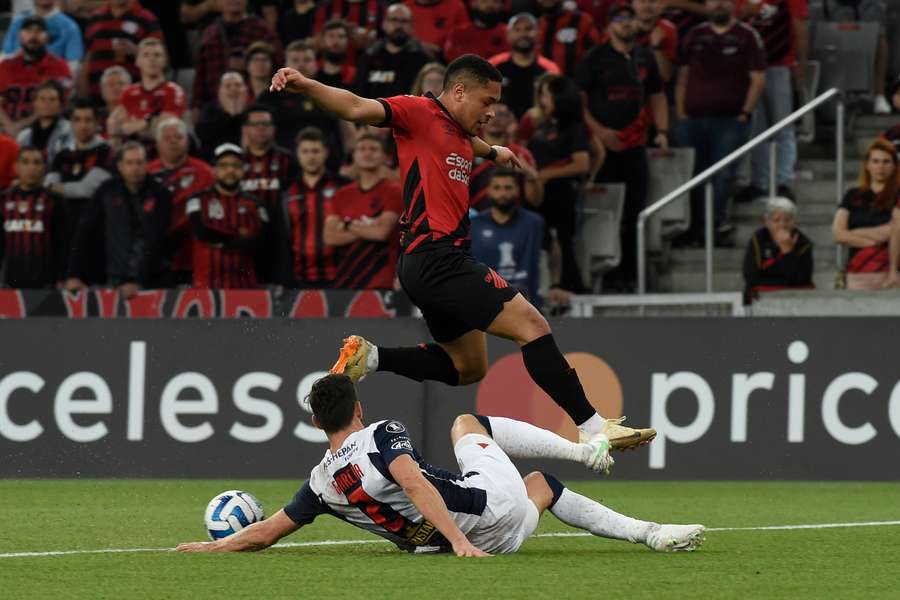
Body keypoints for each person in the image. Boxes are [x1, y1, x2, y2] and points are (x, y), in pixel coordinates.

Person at [271, 53, 656, 451]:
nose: (492, 111)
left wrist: (494, 152)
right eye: (487, 102)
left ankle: (372, 358)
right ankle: (594, 429)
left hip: (425, 266)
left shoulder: (458, 132)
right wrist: (308, 84)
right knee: (533, 327)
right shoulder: (417, 111)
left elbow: (464, 141)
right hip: (439, 258)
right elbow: (355, 106)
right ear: (458, 91)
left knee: (468, 367)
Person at [176, 374, 705, 555]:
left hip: (475, 536)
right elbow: (410, 479)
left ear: (317, 424)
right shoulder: (380, 434)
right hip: (482, 517)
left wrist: (214, 546)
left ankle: (652, 533)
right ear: (357, 410)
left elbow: (267, 532)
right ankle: (588, 447)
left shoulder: (320, 484)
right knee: (466, 422)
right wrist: (460, 542)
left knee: (541, 486)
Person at [577, 3, 667, 292]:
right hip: (603, 149)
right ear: (608, 26)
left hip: (635, 146)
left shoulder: (644, 56)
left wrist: (662, 132)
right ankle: (607, 273)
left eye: (629, 19)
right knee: (606, 212)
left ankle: (632, 274)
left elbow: (657, 95)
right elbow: (579, 101)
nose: (625, 24)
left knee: (634, 211)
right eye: (619, 19)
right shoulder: (595, 57)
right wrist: (599, 133)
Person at [675, 0, 765, 246]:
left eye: (724, 0)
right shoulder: (695, 34)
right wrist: (681, 114)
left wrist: (745, 113)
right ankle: (693, 229)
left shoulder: (747, 36)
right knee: (693, 176)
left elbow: (757, 78)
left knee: (723, 176)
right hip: (693, 120)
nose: (718, 5)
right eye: (713, 1)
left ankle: (714, 226)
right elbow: (682, 76)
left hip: (731, 121)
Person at [66, 141, 173, 298]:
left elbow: (156, 240)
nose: (135, 168)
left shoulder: (160, 194)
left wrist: (137, 280)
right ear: (120, 166)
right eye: (129, 163)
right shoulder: (107, 190)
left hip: (152, 279)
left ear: (147, 165)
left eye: (139, 162)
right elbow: (85, 230)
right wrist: (73, 274)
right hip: (112, 276)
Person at [734, 0, 808, 203]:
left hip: (779, 64)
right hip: (747, 69)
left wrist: (801, 63)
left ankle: (784, 182)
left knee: (783, 127)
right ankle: (760, 183)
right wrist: (743, 13)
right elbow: (729, 23)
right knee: (756, 130)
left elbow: (800, 25)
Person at [526, 75, 590, 294]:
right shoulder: (544, 125)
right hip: (540, 195)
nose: (541, 100)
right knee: (544, 242)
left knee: (562, 241)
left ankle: (571, 288)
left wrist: (548, 174)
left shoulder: (573, 126)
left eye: (545, 95)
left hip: (561, 195)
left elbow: (583, 162)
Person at [45, 97, 113, 281]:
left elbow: (86, 189)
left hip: (96, 234)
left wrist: (57, 187)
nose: (83, 125)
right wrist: (57, 188)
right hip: (64, 230)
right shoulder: (62, 155)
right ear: (71, 123)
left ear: (97, 123)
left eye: (88, 120)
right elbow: (48, 186)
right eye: (77, 120)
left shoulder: (106, 152)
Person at [323, 133, 402, 289]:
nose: (367, 153)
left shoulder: (394, 191)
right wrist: (368, 227)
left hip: (382, 280)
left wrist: (346, 224)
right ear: (354, 156)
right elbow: (330, 237)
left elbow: (381, 233)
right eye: (362, 149)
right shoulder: (341, 194)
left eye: (373, 149)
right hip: (346, 280)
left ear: (384, 157)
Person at [186, 143, 269, 288]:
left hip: (246, 287)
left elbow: (262, 241)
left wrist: (220, 239)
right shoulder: (197, 200)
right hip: (207, 286)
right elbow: (202, 232)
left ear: (243, 170)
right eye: (224, 165)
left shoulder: (256, 205)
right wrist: (238, 235)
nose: (230, 170)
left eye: (236, 166)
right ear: (215, 170)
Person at [277, 126, 351, 288]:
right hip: (298, 279)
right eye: (305, 151)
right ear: (297, 154)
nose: (311, 157)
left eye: (315, 151)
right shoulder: (287, 192)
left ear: (325, 152)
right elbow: (283, 238)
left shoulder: (343, 188)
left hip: (340, 277)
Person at [148, 117, 215, 286]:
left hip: (193, 255)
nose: (173, 142)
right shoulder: (147, 172)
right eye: (167, 138)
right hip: (154, 255)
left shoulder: (204, 172)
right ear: (157, 143)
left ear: (187, 141)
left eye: (178, 138)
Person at [258, 40, 346, 163]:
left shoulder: (331, 90)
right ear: (285, 64)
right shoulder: (271, 95)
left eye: (307, 60)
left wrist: (349, 161)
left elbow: (346, 126)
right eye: (295, 60)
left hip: (329, 163)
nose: (301, 65)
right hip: (284, 164)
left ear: (316, 64)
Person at [192, 0, 283, 114]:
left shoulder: (262, 29)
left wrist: (249, 65)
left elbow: (279, 63)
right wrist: (196, 105)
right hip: (216, 106)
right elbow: (201, 73)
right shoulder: (210, 33)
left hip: (256, 105)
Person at [832, 138, 899, 290]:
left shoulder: (898, 194)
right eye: (875, 161)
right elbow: (838, 234)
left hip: (891, 273)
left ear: (895, 166)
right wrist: (875, 240)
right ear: (867, 165)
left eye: (886, 161)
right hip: (857, 272)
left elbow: (894, 230)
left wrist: (855, 233)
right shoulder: (852, 195)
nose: (880, 167)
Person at [471, 168, 545, 305]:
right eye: (497, 188)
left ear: (517, 190)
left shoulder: (533, 223)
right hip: (483, 303)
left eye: (508, 188)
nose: (503, 193)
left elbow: (552, 252)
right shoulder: (474, 224)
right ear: (488, 191)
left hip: (526, 302)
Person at [0, 145, 66, 288]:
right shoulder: (3, 199)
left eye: (37, 162)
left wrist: (62, 276)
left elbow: (63, 242)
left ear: (44, 167)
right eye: (25, 162)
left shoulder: (54, 200)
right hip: (9, 283)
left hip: (46, 283)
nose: (31, 168)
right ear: (16, 167)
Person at [107, 37, 187, 150]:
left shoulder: (173, 91)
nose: (152, 60)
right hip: (132, 152)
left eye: (157, 55)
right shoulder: (129, 93)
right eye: (146, 55)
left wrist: (130, 125)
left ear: (165, 61)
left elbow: (164, 130)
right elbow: (114, 128)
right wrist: (148, 121)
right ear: (137, 61)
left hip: (159, 151)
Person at [0, 15, 72, 137]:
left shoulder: (59, 67)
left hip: (44, 131)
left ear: (47, 37)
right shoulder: (5, 66)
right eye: (29, 31)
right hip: (6, 130)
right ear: (19, 36)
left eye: (39, 31)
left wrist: (19, 127)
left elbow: (57, 106)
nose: (33, 36)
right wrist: (9, 127)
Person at [81, 0, 163, 102]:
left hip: (135, 98)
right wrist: (83, 93)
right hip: (97, 96)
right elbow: (88, 57)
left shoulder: (147, 18)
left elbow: (162, 60)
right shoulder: (95, 17)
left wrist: (136, 51)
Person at [353, 3, 435, 100]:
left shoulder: (423, 58)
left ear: (412, 25)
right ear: (384, 24)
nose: (399, 25)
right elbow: (358, 92)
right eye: (394, 20)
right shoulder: (369, 55)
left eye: (404, 21)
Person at [469, 101, 539, 212]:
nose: (495, 118)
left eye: (501, 115)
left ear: (510, 120)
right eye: (490, 113)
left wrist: (530, 174)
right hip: (473, 220)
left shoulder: (520, 153)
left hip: (512, 221)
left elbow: (535, 201)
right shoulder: (468, 149)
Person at [489, 13, 560, 120]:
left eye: (528, 29)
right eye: (517, 30)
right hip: (501, 125)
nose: (523, 34)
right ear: (508, 35)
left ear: (538, 34)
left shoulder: (550, 69)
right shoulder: (493, 65)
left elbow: (556, 105)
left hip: (538, 127)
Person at [742, 196, 813, 303]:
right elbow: (751, 276)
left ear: (794, 222)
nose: (782, 225)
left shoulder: (803, 242)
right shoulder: (758, 239)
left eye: (787, 220)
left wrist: (787, 251)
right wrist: (782, 279)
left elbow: (801, 279)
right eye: (776, 220)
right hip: (762, 297)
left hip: (795, 298)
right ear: (766, 222)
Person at [2, 0, 84, 74]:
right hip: (17, 81)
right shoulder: (18, 23)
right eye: (29, 30)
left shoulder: (70, 27)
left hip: (53, 83)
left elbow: (73, 66)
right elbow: (5, 57)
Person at [536, 0, 601, 76]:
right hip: (544, 84)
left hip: (577, 84)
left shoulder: (582, 20)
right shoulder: (535, 26)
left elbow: (599, 54)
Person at [195, 72, 250, 160]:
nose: (233, 89)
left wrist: (237, 115)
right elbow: (202, 133)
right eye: (228, 86)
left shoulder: (253, 112)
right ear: (219, 91)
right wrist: (230, 114)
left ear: (246, 90)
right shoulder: (209, 111)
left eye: (238, 85)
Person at [16, 80, 72, 164]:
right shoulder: (23, 136)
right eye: (42, 99)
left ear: (61, 104)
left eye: (52, 99)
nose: (47, 103)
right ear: (35, 104)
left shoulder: (70, 130)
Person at [443, 0, 508, 63]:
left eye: (495, 1)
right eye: (484, 1)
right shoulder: (457, 33)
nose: (489, 5)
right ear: (473, 4)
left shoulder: (509, 32)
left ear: (502, 5)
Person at [631, 0, 678, 82]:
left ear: (661, 6)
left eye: (652, 1)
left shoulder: (667, 29)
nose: (647, 6)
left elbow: (667, 76)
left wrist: (657, 47)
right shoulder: (621, 26)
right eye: (642, 1)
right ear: (633, 5)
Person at [403, 0, 470, 57]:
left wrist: (441, 50)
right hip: (413, 55)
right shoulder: (404, 8)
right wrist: (419, 46)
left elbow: (466, 37)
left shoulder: (455, 5)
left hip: (447, 58)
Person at [316, 19, 356, 90]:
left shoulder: (355, 75)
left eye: (341, 36)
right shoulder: (312, 71)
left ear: (348, 41)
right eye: (331, 36)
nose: (336, 41)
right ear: (322, 40)